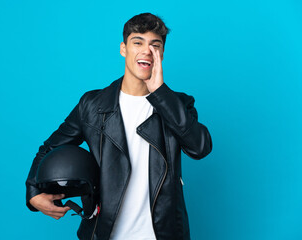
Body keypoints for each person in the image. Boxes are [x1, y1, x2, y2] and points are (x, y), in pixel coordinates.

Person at [25, 12, 212, 240]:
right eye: (138, 42)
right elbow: (49, 148)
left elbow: (200, 147)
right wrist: (33, 192)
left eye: (155, 45)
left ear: (162, 53)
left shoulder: (178, 104)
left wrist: (161, 94)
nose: (146, 51)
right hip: (104, 234)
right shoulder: (93, 105)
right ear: (123, 48)